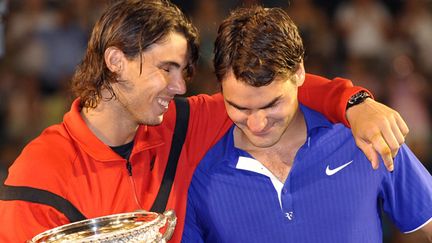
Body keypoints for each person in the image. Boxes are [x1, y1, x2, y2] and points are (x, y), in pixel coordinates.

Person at [0, 1, 409, 242]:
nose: (179, 86)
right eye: (167, 68)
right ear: (115, 62)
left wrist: (355, 102)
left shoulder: (183, 123)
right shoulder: (40, 173)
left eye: (184, 72)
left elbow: (278, 90)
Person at [182, 6, 432, 243]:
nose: (257, 124)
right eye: (239, 108)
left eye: (271, 105)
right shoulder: (200, 174)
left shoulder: (365, 138)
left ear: (299, 72)